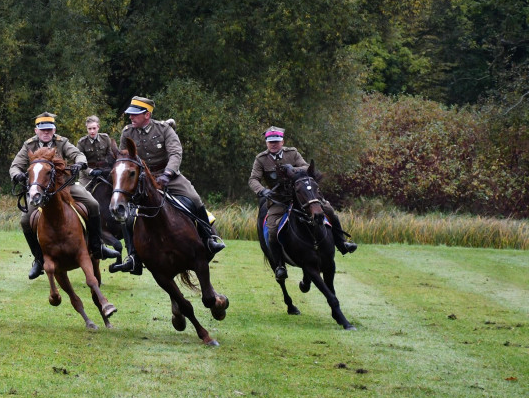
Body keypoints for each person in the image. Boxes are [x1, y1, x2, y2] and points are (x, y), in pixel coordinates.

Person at [110, 96, 224, 274]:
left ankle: (210, 238)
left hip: (168, 175)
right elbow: (125, 157)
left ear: (147, 115)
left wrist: (168, 174)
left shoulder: (164, 129)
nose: (130, 118)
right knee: (129, 215)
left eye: (135, 115)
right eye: (130, 115)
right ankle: (133, 257)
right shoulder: (127, 132)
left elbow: (175, 153)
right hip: (142, 179)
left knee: (194, 198)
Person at [10, 112, 119, 279]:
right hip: (39, 190)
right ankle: (39, 259)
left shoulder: (62, 142)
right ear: (36, 130)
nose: (46, 133)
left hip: (64, 187)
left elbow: (78, 154)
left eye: (49, 129)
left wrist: (79, 164)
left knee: (93, 204)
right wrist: (17, 175)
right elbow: (15, 166)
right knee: (25, 220)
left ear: (54, 129)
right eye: (43, 130)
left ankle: (98, 247)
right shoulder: (29, 145)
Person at [249, 125, 358, 282]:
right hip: (279, 199)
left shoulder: (292, 153)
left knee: (329, 210)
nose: (273, 144)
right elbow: (253, 179)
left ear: (282, 141)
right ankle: (279, 265)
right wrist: (262, 191)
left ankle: (342, 244)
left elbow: (307, 167)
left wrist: (291, 169)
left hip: (302, 196)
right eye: (270, 141)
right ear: (266, 142)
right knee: (272, 229)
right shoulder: (261, 159)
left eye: (276, 141)